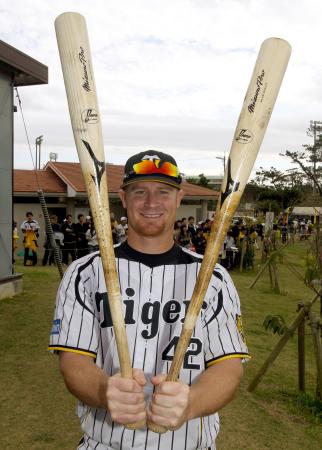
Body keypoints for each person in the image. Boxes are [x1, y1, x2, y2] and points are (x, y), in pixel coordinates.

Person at [49, 150, 249, 450]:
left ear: (179, 198)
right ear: (123, 198)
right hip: (106, 443)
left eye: (163, 192)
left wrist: (191, 403)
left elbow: (229, 367)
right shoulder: (85, 273)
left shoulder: (213, 277)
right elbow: (73, 361)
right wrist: (105, 391)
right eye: (140, 191)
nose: (152, 202)